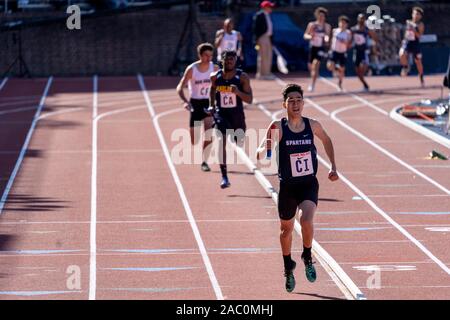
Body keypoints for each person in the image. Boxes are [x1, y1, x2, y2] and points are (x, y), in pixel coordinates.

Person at [256, 83, 339, 293]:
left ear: (303, 103)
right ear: (284, 104)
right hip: (288, 187)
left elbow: (327, 140)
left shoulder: (312, 125)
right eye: (291, 100)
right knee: (286, 231)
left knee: (307, 221)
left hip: (308, 184)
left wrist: (333, 166)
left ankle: (307, 255)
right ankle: (288, 266)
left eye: (298, 100)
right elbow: (264, 145)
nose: (295, 104)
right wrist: (260, 152)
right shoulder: (278, 126)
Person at [208, 50, 253, 188]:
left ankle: (237, 138)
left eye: (231, 60)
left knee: (238, 140)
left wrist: (238, 92)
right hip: (221, 114)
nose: (229, 62)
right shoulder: (215, 76)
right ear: (222, 60)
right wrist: (211, 106)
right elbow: (212, 90)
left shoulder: (242, 77)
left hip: (237, 115)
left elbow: (250, 99)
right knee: (220, 140)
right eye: (227, 60)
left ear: (235, 61)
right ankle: (224, 176)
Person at [176, 43, 219, 172]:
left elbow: (221, 84)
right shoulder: (192, 69)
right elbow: (180, 87)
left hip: (208, 103)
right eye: (206, 55)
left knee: (209, 134)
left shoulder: (214, 68)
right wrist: (185, 101)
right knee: (194, 140)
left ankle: (204, 161)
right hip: (195, 103)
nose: (209, 58)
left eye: (211, 55)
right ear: (200, 55)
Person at [303, 7, 331, 92]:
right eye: (320, 15)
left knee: (315, 65)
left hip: (320, 48)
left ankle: (312, 84)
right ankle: (314, 76)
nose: (321, 17)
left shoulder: (327, 26)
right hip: (312, 47)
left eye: (323, 16)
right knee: (311, 67)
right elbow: (305, 35)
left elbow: (327, 36)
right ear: (317, 16)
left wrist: (326, 40)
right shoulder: (312, 25)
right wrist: (310, 36)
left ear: (325, 17)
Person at [351, 13, 378, 91]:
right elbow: (350, 39)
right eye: (360, 18)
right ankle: (365, 84)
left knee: (363, 65)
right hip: (356, 51)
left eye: (363, 18)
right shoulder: (354, 29)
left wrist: (373, 45)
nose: (361, 20)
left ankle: (368, 69)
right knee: (358, 72)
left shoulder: (367, 30)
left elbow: (375, 38)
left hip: (364, 51)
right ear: (357, 19)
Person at [399, 7, 425, 86]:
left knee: (418, 62)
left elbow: (419, 36)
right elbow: (406, 32)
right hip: (407, 42)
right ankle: (406, 67)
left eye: (417, 14)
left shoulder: (420, 24)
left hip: (415, 44)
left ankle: (421, 77)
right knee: (401, 53)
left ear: (420, 16)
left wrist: (414, 30)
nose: (415, 15)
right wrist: (404, 39)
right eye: (414, 13)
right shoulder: (408, 22)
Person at [327, 15, 352, 91]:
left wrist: (345, 42)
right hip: (334, 51)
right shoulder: (335, 30)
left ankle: (340, 83)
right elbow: (331, 40)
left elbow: (349, 44)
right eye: (341, 22)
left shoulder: (348, 33)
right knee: (329, 66)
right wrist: (330, 48)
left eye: (344, 23)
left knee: (342, 69)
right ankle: (336, 69)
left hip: (342, 52)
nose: (342, 24)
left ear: (346, 24)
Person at [252, 1, 275, 80]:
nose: (271, 8)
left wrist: (272, 41)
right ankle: (262, 74)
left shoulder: (268, 15)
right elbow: (255, 29)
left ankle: (267, 73)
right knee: (263, 56)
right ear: (265, 7)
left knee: (268, 56)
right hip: (262, 37)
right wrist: (256, 40)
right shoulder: (259, 15)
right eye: (269, 7)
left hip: (268, 38)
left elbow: (270, 29)